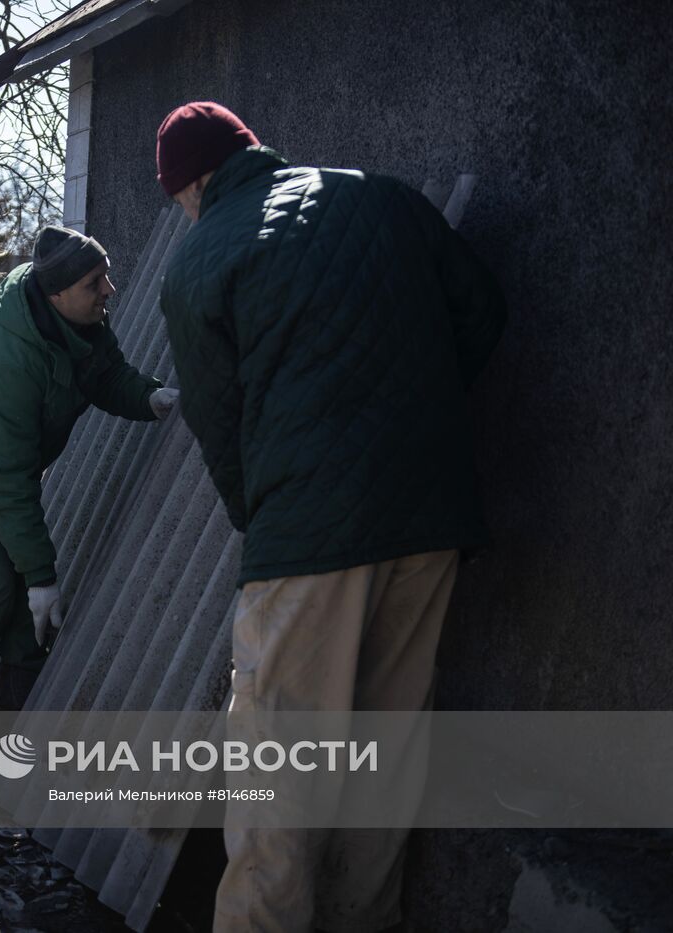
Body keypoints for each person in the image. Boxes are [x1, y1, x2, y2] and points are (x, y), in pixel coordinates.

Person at [154, 101, 506, 932]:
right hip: (431, 522)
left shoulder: (202, 256)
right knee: (385, 755)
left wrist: (266, 518)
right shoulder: (382, 196)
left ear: (194, 182)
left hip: (309, 535)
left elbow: (218, 418)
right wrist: (417, 418)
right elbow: (483, 310)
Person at [0, 225, 180, 749]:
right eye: (95, 282)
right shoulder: (9, 357)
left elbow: (107, 376)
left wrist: (151, 398)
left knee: (20, 579)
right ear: (56, 294)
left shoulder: (79, 325)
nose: (109, 291)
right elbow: (4, 484)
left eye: (107, 277)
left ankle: (17, 694)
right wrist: (41, 575)